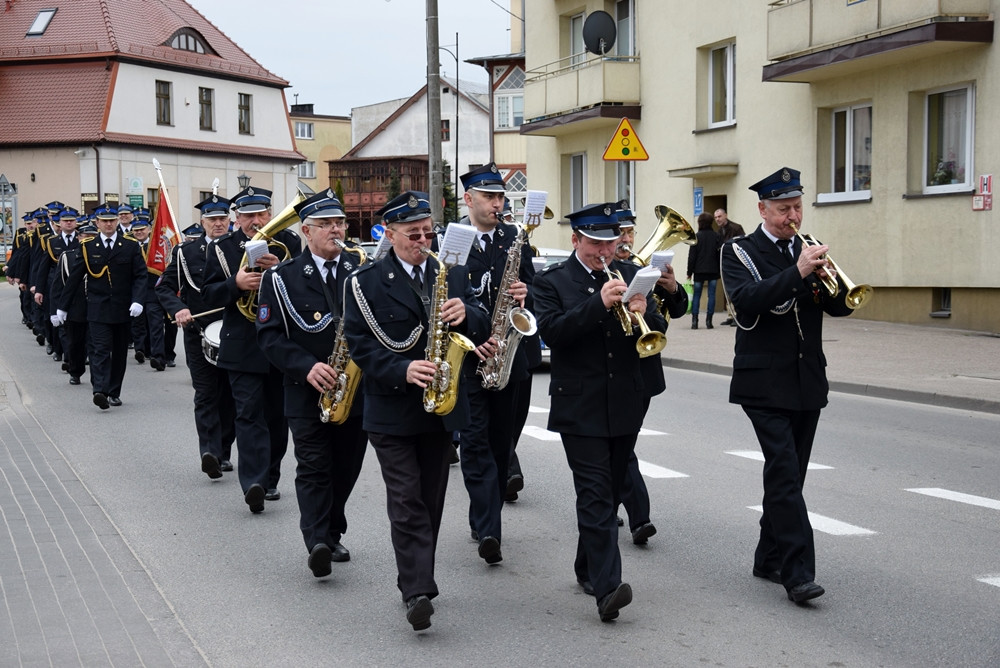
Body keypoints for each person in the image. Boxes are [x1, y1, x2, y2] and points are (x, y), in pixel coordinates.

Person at [343, 190, 489, 631]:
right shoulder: (364, 282)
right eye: (413, 234)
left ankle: (418, 576)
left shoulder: (450, 272)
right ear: (390, 234)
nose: (423, 240)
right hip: (391, 409)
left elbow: (479, 322)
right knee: (406, 501)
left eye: (428, 232)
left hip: (441, 409)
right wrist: (403, 369)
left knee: (431, 500)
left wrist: (470, 312)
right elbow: (361, 346)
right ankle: (417, 590)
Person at [719, 167, 854, 604]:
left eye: (796, 207)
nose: (791, 216)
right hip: (761, 380)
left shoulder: (808, 246)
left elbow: (840, 309)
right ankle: (797, 574)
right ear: (762, 209)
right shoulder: (738, 250)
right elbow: (747, 303)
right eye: (782, 209)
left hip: (806, 378)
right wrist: (797, 273)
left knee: (790, 473)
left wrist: (830, 281)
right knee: (783, 470)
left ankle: (767, 555)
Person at [533, 202, 667, 622]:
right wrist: (598, 305)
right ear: (575, 240)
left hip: (626, 399)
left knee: (608, 494)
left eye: (611, 243)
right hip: (580, 403)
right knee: (594, 493)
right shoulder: (552, 281)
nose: (604, 252)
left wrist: (649, 312)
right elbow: (552, 332)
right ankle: (609, 588)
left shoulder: (630, 274)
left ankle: (587, 565)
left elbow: (660, 325)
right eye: (595, 244)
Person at [256, 189, 369, 578]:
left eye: (340, 223)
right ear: (306, 230)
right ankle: (318, 539)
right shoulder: (280, 278)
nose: (337, 230)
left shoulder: (361, 272)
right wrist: (306, 367)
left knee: (347, 466)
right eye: (327, 224)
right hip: (305, 391)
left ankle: (333, 528)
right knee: (314, 465)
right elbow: (270, 336)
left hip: (355, 391)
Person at [202, 186, 301, 512]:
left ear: (271, 215)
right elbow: (208, 295)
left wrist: (278, 273)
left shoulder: (289, 243)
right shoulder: (221, 248)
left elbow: (303, 287)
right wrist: (236, 284)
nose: (255, 221)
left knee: (276, 417)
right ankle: (254, 482)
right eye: (247, 216)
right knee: (247, 414)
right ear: (236, 218)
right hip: (242, 343)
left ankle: (271, 477)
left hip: (279, 344)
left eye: (261, 214)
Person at [456, 163, 535, 565]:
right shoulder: (453, 240)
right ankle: (489, 528)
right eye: (489, 197)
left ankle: (485, 512)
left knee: (502, 444)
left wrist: (526, 292)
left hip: (510, 356)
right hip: (469, 355)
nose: (497, 204)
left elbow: (535, 293)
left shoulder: (514, 237)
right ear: (469, 199)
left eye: (501, 197)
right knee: (474, 444)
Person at [611, 201, 689, 545]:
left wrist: (670, 287)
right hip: (610, 371)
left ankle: (607, 506)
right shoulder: (606, 273)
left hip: (643, 372)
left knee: (622, 443)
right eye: (621, 233)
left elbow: (676, 312)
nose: (628, 239)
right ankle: (639, 518)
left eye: (630, 232)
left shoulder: (642, 270)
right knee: (620, 445)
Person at [156, 195, 237, 480]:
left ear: (230, 220)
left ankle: (224, 450)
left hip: (235, 333)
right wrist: (179, 308)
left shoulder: (240, 249)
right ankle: (210, 453)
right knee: (206, 394)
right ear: (203, 222)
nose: (218, 223)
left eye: (223, 219)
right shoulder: (184, 253)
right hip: (198, 332)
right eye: (212, 219)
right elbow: (165, 287)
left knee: (229, 395)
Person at [56, 202, 147, 409]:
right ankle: (100, 390)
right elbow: (74, 278)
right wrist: (63, 306)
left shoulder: (130, 246)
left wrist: (138, 300)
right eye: (104, 221)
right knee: (100, 350)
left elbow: (140, 276)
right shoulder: (87, 247)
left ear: (117, 221)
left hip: (124, 309)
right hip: (97, 308)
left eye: (112, 220)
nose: (108, 224)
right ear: (97, 223)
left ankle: (114, 392)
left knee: (119, 353)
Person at [686, 212, 722, 329]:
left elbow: (692, 256)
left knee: (697, 295)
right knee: (711, 295)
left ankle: (694, 321)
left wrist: (689, 272)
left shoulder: (696, 237)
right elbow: (719, 254)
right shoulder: (716, 236)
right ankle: (709, 321)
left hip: (699, 270)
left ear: (700, 223)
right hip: (713, 270)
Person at [715, 208, 745, 326]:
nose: (717, 219)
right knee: (727, 290)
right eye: (716, 217)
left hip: (735, 263)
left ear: (725, 216)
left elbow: (742, 244)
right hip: (724, 263)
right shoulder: (719, 231)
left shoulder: (736, 228)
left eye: (719, 216)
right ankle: (731, 315)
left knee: (735, 289)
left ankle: (738, 315)